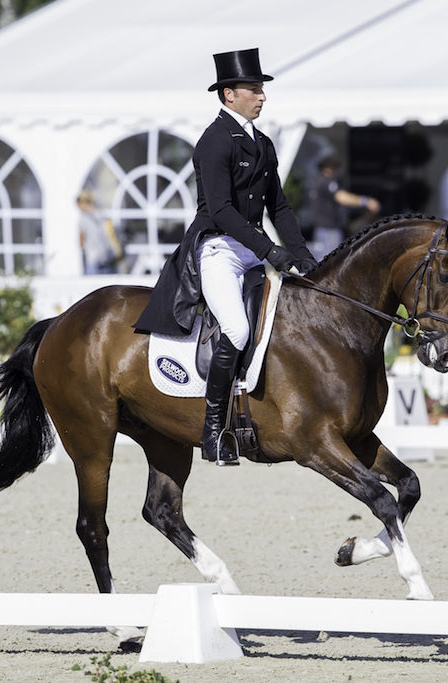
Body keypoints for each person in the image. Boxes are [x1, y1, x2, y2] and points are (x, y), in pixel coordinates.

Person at [133, 47, 317, 466]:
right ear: (228, 95)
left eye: (261, 89)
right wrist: (270, 250)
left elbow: (280, 208)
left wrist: (304, 258)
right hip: (218, 248)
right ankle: (213, 429)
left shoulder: (263, 144)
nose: (262, 96)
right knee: (235, 330)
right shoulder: (214, 142)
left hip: (251, 250)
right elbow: (220, 211)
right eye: (254, 89)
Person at [308, 154, 381, 260]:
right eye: (335, 167)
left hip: (324, 228)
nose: (337, 170)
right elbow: (341, 197)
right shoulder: (326, 181)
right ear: (329, 167)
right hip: (329, 229)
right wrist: (366, 201)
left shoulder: (318, 180)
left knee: (326, 260)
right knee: (332, 262)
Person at [77, 190, 125, 274]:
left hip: (93, 258)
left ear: (82, 202)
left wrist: (83, 249)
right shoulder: (101, 214)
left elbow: (81, 238)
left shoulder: (83, 218)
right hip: (107, 256)